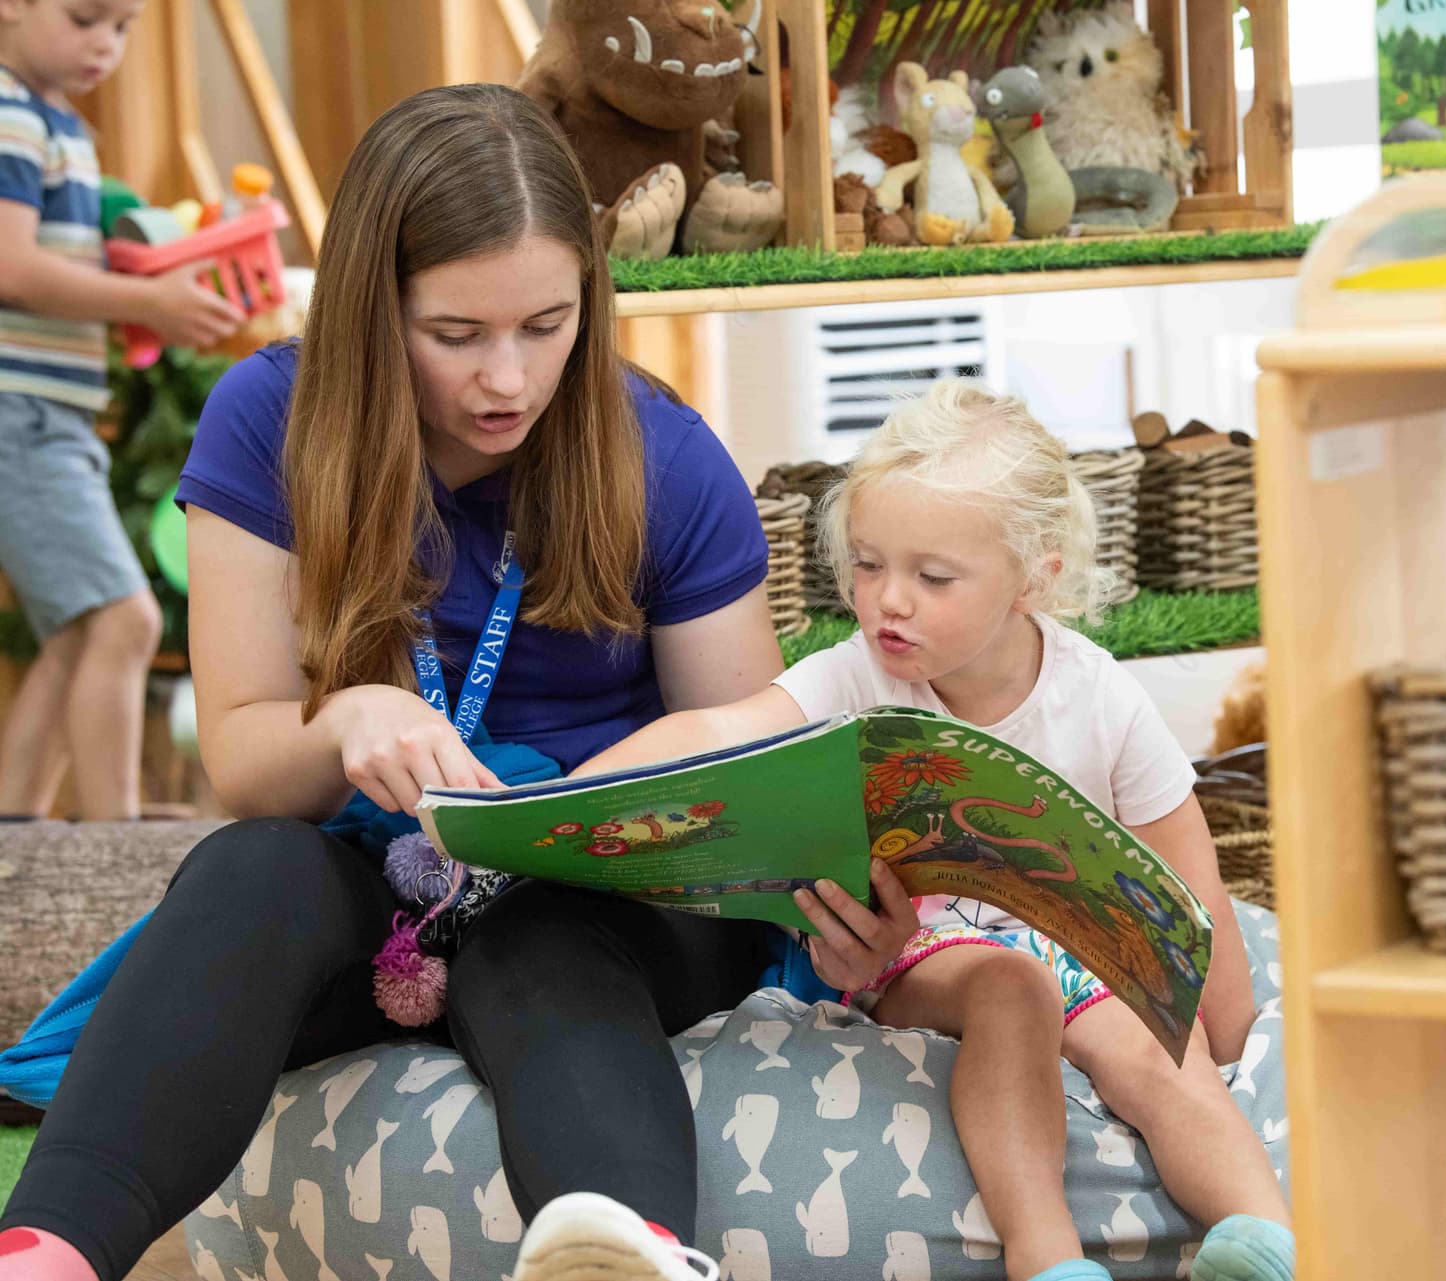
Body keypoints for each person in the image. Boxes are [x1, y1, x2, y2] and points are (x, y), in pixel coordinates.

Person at [0, 83, 914, 1281]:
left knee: (536, 937)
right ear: (375, 313)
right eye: (457, 335)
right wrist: (343, 720)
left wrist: (640, 825)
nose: (509, 380)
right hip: (387, 876)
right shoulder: (266, 421)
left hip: (618, 903)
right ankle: (46, 1256)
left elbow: (747, 763)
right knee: (249, 868)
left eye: (547, 325)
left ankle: (633, 1259)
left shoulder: (663, 454)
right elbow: (242, 767)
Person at [574, 382, 1297, 1281]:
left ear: (1036, 574)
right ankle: (1051, 1262)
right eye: (869, 564)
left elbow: (1186, 880)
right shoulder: (850, 675)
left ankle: (1268, 1246)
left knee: (1159, 1049)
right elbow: (724, 728)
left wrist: (1221, 1030)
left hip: (1075, 941)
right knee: (1012, 986)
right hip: (918, 952)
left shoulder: (1098, 693)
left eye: (933, 576)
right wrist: (576, 799)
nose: (888, 601)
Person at [0, 0, 243, 820]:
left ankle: (17, 829)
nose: (106, 44)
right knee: (124, 619)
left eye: (123, 26)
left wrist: (152, 285)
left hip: (48, 414)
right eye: (84, 18)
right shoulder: (10, 112)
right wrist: (146, 299)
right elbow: (13, 269)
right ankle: (117, 832)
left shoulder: (53, 119)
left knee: (79, 631)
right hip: (18, 412)